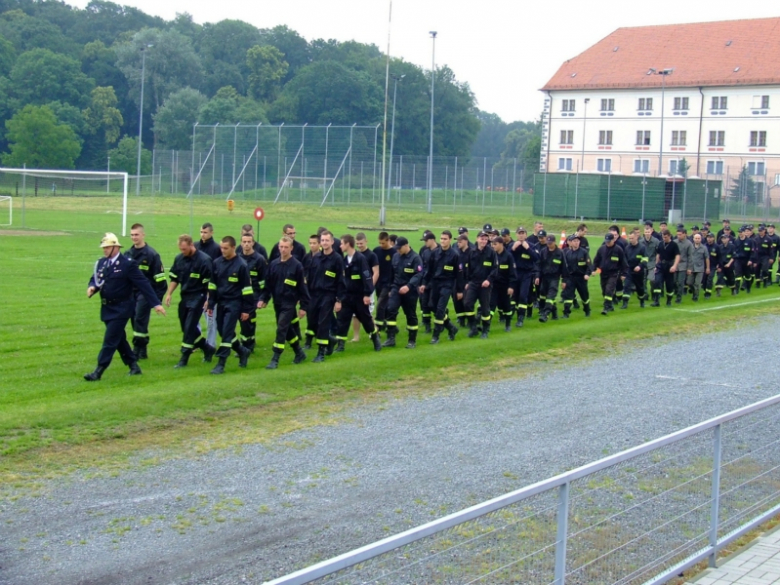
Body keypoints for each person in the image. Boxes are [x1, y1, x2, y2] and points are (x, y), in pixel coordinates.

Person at [84, 233, 166, 381]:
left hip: (122, 308)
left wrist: (156, 303)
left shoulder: (127, 263)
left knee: (110, 339)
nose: (104, 250)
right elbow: (96, 279)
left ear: (115, 247)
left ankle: (99, 370)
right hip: (107, 308)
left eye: (107, 247)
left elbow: (143, 283)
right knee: (119, 338)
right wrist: (92, 288)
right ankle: (134, 366)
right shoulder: (102, 263)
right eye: (103, 247)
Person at [257, 236, 309, 369]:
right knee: (288, 330)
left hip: (289, 303)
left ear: (291, 248)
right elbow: (268, 285)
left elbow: (302, 289)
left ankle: (275, 358)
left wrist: (303, 306)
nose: (283, 250)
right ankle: (299, 352)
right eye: (281, 247)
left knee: (281, 328)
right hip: (277, 303)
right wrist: (263, 299)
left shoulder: (297, 266)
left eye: (286, 247)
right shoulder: (273, 265)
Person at [165, 234, 216, 368]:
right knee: (186, 327)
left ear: (191, 245)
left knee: (189, 328)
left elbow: (210, 284)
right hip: (185, 297)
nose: (182, 252)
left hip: (199, 297)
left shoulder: (204, 260)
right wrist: (169, 294)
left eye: (184, 249)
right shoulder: (179, 259)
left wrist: (208, 299)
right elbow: (175, 278)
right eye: (180, 249)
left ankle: (184, 357)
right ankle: (207, 348)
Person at [207, 236, 254, 374]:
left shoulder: (241, 265)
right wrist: (210, 304)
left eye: (225, 248)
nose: (222, 250)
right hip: (221, 302)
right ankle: (242, 351)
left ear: (233, 247)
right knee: (222, 330)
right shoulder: (216, 263)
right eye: (221, 248)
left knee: (227, 332)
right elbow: (212, 285)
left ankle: (221, 363)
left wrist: (246, 310)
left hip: (235, 303)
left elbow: (247, 289)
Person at [124, 223, 167, 359]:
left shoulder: (152, 255)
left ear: (143, 235)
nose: (134, 237)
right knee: (134, 319)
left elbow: (161, 281)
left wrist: (156, 301)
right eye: (131, 235)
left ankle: (136, 349)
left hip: (145, 294)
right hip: (131, 293)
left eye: (136, 234)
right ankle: (142, 349)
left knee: (139, 318)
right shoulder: (127, 254)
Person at [333, 234, 382, 353]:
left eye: (341, 244)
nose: (340, 246)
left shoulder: (360, 259)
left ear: (347, 244)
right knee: (342, 320)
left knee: (366, 320)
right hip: (347, 297)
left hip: (359, 296)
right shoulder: (344, 260)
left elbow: (367, 277)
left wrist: (367, 294)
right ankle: (340, 345)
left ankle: (375, 339)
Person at [307, 230, 346, 362]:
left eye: (326, 240)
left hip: (329, 295)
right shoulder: (316, 258)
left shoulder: (337, 259)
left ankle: (321, 353)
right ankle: (330, 340)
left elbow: (341, 281)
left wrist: (339, 300)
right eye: (322, 240)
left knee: (323, 323)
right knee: (312, 322)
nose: (324, 243)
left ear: (332, 242)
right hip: (314, 294)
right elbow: (310, 277)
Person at [420, 230, 462, 344]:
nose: (443, 241)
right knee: (432, 306)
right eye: (441, 238)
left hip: (447, 285)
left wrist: (459, 290)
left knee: (440, 309)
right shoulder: (434, 253)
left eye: (445, 239)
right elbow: (428, 270)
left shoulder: (455, 255)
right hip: (435, 284)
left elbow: (459, 275)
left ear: (449, 240)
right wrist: (424, 283)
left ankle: (436, 336)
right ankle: (451, 328)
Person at [383, 237, 424, 348]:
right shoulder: (396, 256)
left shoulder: (416, 258)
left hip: (410, 290)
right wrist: (391, 288)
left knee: (410, 314)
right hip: (396, 287)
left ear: (406, 245)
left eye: (399, 248)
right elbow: (392, 273)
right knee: (390, 309)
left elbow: (418, 274)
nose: (398, 250)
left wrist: (409, 286)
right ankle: (390, 338)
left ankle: (412, 341)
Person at [463, 231, 497, 338]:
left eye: (486, 239)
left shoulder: (491, 252)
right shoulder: (471, 252)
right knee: (468, 304)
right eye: (482, 239)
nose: (484, 241)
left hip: (485, 284)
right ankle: (473, 327)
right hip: (473, 283)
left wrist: (489, 280)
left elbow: (495, 269)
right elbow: (467, 268)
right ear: (477, 239)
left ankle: (485, 330)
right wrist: (468, 282)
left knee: (485, 308)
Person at [238, 233, 267, 352]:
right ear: (241, 243)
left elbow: (264, 281)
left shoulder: (259, 259)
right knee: (245, 320)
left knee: (247, 319)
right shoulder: (238, 258)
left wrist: (262, 298)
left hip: (254, 295)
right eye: (244, 242)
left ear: (253, 243)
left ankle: (247, 345)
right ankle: (248, 342)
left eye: (249, 242)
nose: (246, 244)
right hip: (240, 295)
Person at [196, 223, 222, 350]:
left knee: (211, 319)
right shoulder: (195, 246)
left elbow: (218, 270)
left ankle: (211, 344)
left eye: (205, 232)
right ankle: (197, 342)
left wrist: (211, 293)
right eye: (201, 232)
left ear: (211, 233)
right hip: (196, 289)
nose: (202, 234)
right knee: (193, 318)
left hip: (210, 289)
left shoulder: (217, 249)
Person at [511, 227, 540, 327]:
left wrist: (527, 248)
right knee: (514, 296)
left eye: (523, 233)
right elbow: (505, 257)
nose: (521, 235)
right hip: (515, 274)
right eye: (519, 233)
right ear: (516, 235)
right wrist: (512, 249)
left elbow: (537, 258)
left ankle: (521, 318)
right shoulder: (512, 245)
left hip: (527, 274)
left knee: (523, 296)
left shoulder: (532, 246)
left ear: (526, 235)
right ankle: (509, 316)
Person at [352, 233, 379, 342]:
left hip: (367, 289)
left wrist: (369, 288)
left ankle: (374, 332)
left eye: (361, 243)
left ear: (366, 241)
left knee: (367, 313)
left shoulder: (372, 255)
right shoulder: (355, 255)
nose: (359, 245)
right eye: (357, 243)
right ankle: (356, 337)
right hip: (357, 290)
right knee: (355, 314)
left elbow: (376, 273)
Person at [593, 233, 627, 315]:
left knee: (609, 290)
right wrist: (593, 269)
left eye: (609, 241)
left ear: (613, 240)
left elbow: (624, 263)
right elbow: (596, 261)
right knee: (604, 291)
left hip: (613, 274)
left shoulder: (618, 250)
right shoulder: (601, 249)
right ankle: (611, 305)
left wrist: (623, 274)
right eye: (606, 241)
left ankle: (606, 307)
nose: (607, 243)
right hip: (603, 273)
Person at [537, 234, 568, 322]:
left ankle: (546, 314)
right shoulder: (543, 251)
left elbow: (564, 267)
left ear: (555, 242)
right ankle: (554, 314)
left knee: (551, 295)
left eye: (551, 243)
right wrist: (537, 276)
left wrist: (564, 280)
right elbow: (539, 264)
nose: (549, 245)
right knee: (543, 295)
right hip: (544, 277)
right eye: (548, 243)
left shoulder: (560, 253)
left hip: (554, 278)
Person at [372, 231, 397, 335]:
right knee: (384, 306)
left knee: (380, 304)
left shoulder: (394, 253)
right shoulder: (376, 251)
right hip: (378, 282)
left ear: (388, 241)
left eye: (383, 243)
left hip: (388, 283)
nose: (381, 245)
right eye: (380, 243)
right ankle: (392, 327)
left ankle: (378, 327)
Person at [561, 234, 591, 317]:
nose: (576, 243)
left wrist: (587, 274)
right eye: (574, 241)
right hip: (571, 278)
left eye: (577, 241)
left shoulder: (584, 252)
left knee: (584, 295)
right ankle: (566, 313)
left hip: (581, 278)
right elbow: (564, 267)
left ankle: (587, 310)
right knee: (568, 295)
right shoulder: (567, 253)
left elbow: (589, 265)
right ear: (570, 243)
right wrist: (564, 279)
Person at [490, 236, 516, 331]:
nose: (493, 246)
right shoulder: (493, 255)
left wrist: (511, 286)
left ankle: (508, 324)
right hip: (494, 285)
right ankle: (486, 325)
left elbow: (512, 273)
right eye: (492, 244)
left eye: (495, 244)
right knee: (491, 304)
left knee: (506, 305)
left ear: (501, 244)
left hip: (505, 286)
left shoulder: (508, 256)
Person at [652, 230, 680, 307]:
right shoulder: (660, 244)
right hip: (660, 265)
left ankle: (669, 301)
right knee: (657, 281)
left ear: (669, 236)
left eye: (666, 237)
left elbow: (677, 256)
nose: (664, 238)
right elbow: (658, 254)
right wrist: (656, 265)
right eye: (663, 237)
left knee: (669, 284)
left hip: (669, 265)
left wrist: (674, 266)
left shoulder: (674, 245)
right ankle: (656, 301)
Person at [418, 230, 439, 332]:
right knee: (424, 304)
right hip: (425, 282)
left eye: (426, 240)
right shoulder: (425, 252)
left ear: (432, 240)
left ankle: (443, 321)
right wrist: (422, 282)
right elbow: (423, 268)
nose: (425, 242)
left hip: (436, 283)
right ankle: (427, 325)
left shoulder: (440, 252)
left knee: (433, 304)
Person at [622, 228, 647, 309]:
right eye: (630, 238)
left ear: (636, 237)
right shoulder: (627, 248)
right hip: (629, 270)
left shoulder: (642, 247)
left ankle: (642, 300)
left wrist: (640, 266)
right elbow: (624, 259)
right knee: (626, 286)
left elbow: (645, 259)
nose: (631, 240)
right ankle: (625, 303)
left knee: (640, 288)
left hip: (639, 271)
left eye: (632, 238)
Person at [454, 234, 471, 327]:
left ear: (466, 241)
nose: (458, 243)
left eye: (460, 241)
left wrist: (469, 282)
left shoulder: (472, 253)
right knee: (457, 301)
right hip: (458, 280)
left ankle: (470, 320)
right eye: (457, 241)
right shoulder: (457, 253)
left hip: (467, 281)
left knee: (467, 301)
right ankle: (461, 319)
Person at [688, 233, 709, 301]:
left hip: (700, 268)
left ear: (701, 239)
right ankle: (693, 291)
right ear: (693, 239)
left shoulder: (704, 248)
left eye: (698, 238)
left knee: (697, 283)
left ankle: (695, 296)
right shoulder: (690, 247)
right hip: (691, 268)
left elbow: (707, 258)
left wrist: (707, 268)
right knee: (689, 283)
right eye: (696, 238)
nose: (697, 240)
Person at [674, 228, 694, 303]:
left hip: (683, 265)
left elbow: (690, 256)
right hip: (675, 264)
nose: (678, 236)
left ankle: (679, 298)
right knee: (674, 281)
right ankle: (674, 293)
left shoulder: (689, 244)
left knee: (680, 282)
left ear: (684, 234)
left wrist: (689, 268)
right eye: (677, 234)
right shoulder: (674, 242)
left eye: (680, 234)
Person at [733, 227, 755, 293]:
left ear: (744, 232)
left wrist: (751, 260)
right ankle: (736, 289)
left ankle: (748, 288)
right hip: (738, 260)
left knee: (747, 276)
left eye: (741, 232)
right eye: (739, 232)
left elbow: (752, 252)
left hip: (746, 260)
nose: (740, 233)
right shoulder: (736, 241)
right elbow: (734, 250)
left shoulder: (750, 241)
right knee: (737, 274)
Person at [642, 224, 660, 296]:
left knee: (652, 279)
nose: (647, 234)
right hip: (643, 263)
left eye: (648, 232)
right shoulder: (640, 242)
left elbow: (658, 253)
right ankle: (645, 294)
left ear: (651, 232)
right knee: (643, 280)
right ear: (644, 232)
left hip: (652, 263)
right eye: (646, 232)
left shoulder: (656, 241)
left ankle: (653, 292)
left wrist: (656, 264)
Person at [704, 232, 719, 298]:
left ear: (713, 238)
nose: (709, 239)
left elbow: (720, 257)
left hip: (713, 266)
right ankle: (705, 290)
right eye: (708, 237)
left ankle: (708, 293)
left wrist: (719, 265)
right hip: (704, 265)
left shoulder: (717, 247)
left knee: (710, 279)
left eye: (710, 237)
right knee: (704, 280)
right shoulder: (704, 246)